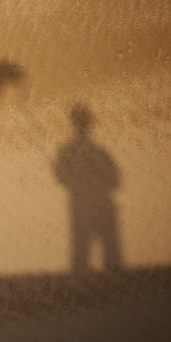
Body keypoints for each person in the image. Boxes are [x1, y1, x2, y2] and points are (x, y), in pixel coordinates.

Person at [53, 104, 123, 273]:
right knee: (104, 251)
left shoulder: (68, 151)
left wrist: (77, 184)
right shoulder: (97, 151)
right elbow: (115, 180)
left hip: (84, 203)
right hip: (96, 202)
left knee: (84, 251)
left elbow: (61, 177)